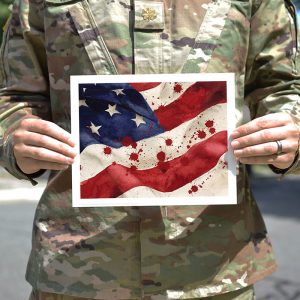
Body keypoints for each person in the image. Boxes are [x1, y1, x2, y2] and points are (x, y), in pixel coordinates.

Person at [0, 0, 300, 299]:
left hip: (215, 268)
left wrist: (290, 131)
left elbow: (283, 85)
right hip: (78, 268)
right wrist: (16, 137)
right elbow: (14, 95)